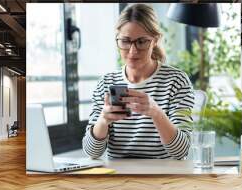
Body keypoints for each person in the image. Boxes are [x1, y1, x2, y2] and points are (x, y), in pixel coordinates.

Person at [82, 3, 195, 159]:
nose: (132, 51)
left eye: (141, 42)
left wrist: (156, 113)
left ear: (155, 40)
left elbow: (181, 152)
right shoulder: (106, 83)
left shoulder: (176, 81)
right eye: (125, 41)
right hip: (118, 176)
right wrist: (103, 121)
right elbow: (91, 153)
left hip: (161, 176)